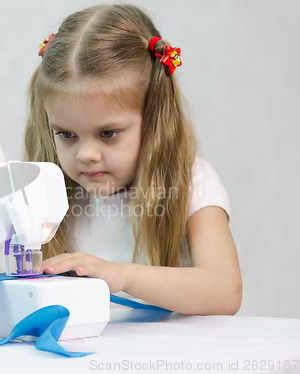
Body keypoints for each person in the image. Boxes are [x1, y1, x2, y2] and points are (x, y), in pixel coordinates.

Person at [23, 4, 241, 315]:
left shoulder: (193, 182)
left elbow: (225, 291)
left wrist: (121, 275)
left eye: (108, 133)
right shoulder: (51, 190)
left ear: (154, 120)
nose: (86, 155)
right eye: (67, 135)